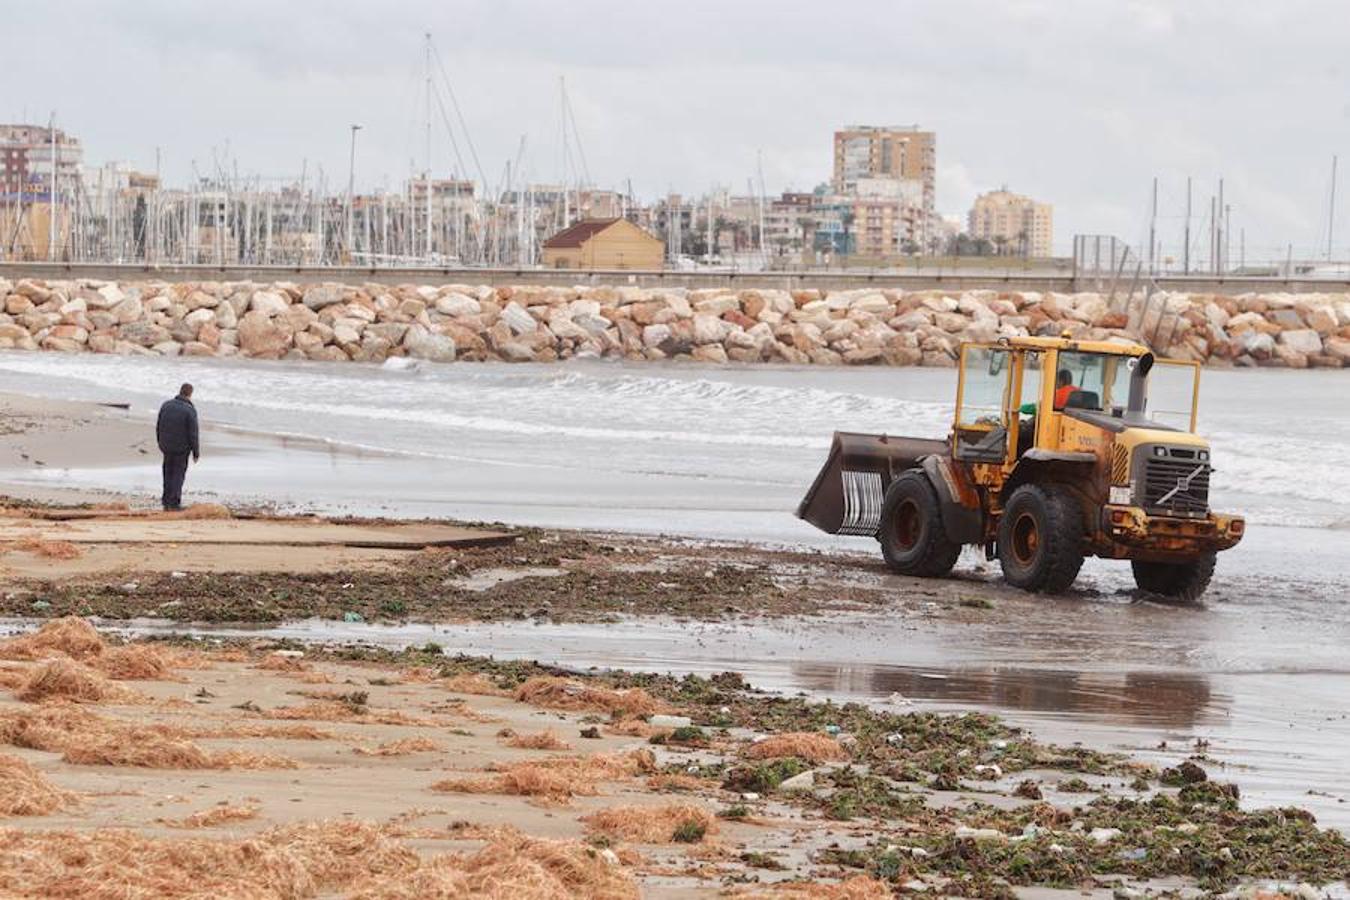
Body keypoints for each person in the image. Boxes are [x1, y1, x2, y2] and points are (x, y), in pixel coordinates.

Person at [156, 384, 200, 511]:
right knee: (178, 474)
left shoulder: (166, 405)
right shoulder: (190, 410)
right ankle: (174, 502)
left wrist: (160, 442)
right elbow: (193, 433)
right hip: (181, 448)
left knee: (167, 472)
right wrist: (196, 452)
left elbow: (159, 425)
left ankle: (166, 499)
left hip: (166, 446)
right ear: (190, 394)